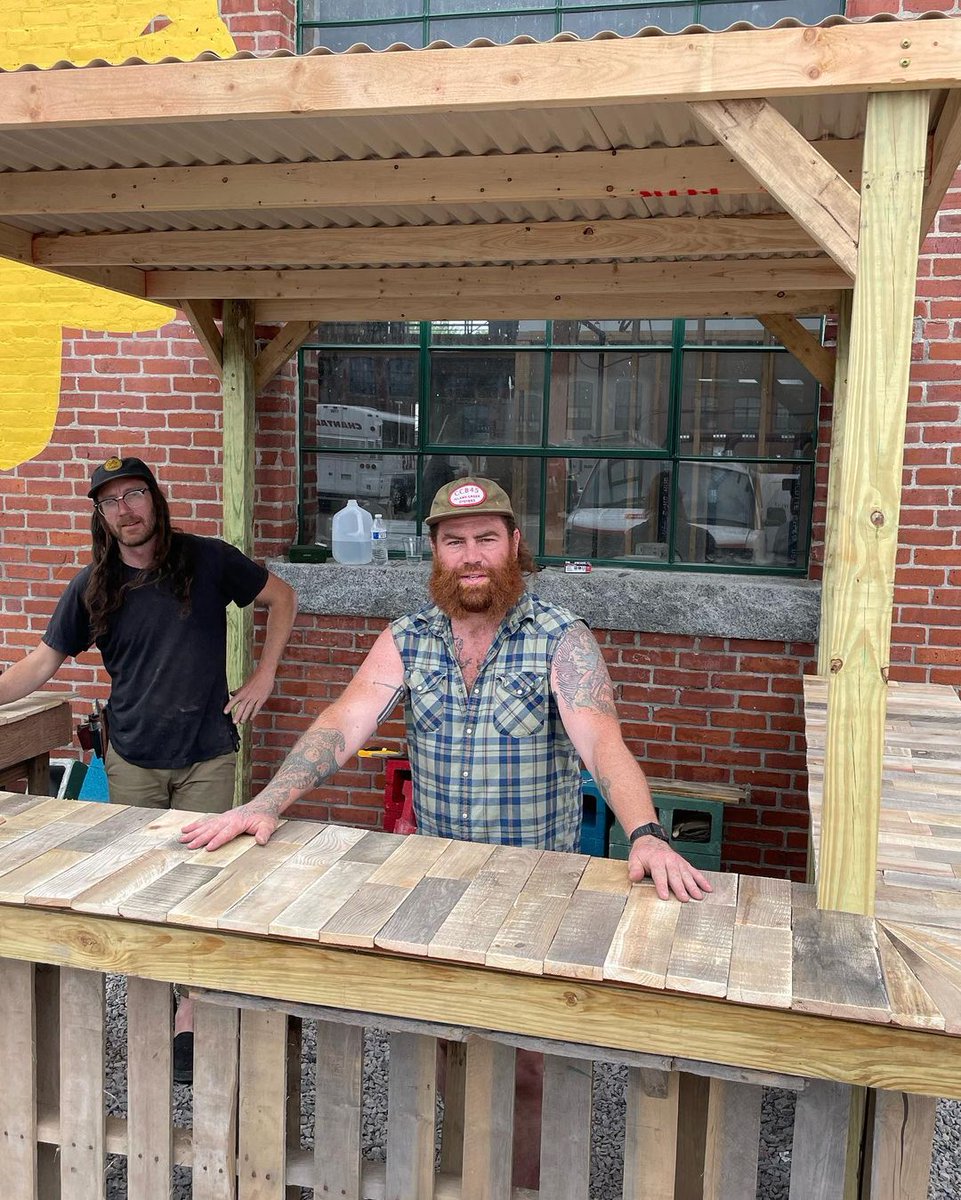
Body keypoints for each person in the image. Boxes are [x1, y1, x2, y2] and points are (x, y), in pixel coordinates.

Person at [181, 475, 710, 1185]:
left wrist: (645, 832)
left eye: (486, 539)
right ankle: (458, 1177)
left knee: (526, 1067)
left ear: (514, 546)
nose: (471, 555)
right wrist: (269, 802)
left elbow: (601, 742)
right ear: (434, 552)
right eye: (454, 541)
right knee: (440, 1049)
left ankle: (518, 1185)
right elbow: (344, 722)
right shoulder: (409, 637)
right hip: (437, 887)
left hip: (534, 892)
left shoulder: (560, 638)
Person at [0, 454, 298, 1082]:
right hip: (132, 756)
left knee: (202, 882)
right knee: (136, 886)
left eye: (134, 494)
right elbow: (38, 667)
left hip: (206, 752)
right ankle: (148, 1003)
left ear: (154, 500)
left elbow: (283, 597)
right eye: (110, 502)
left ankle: (188, 1015)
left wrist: (265, 674)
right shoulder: (93, 588)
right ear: (101, 517)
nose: (125, 510)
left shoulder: (209, 560)